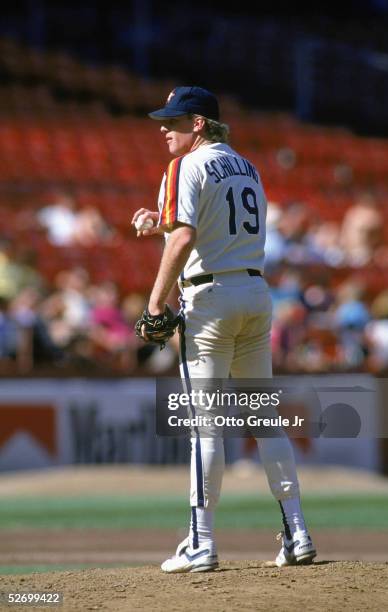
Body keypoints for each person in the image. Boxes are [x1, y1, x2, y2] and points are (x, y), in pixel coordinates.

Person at [132, 86, 316, 573]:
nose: (163, 129)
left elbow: (189, 235)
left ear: (198, 124)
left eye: (173, 120)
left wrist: (154, 304)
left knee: (205, 426)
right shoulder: (248, 167)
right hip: (255, 294)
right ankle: (297, 531)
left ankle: (201, 541)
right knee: (265, 419)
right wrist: (161, 223)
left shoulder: (183, 166)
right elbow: (215, 227)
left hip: (209, 300)